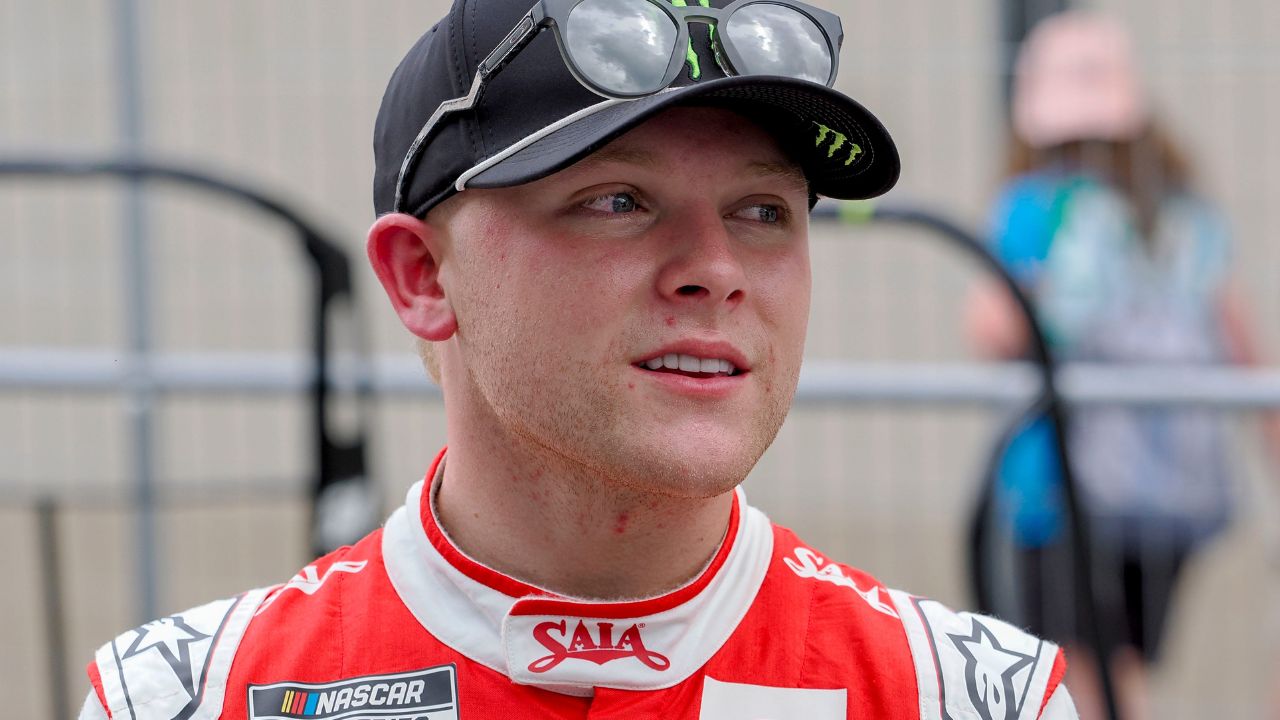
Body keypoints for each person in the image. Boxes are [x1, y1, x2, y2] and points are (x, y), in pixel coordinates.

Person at [82, 0, 1078, 717]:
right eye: (617, 201)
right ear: (422, 278)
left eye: (761, 210)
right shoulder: (187, 696)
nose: (715, 270)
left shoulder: (969, 696)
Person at [966, 11, 1277, 720]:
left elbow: (990, 328)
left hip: (1059, 490)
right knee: (1122, 667)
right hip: (1170, 492)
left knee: (1070, 675)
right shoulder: (1187, 215)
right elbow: (1242, 346)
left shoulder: (1037, 206)